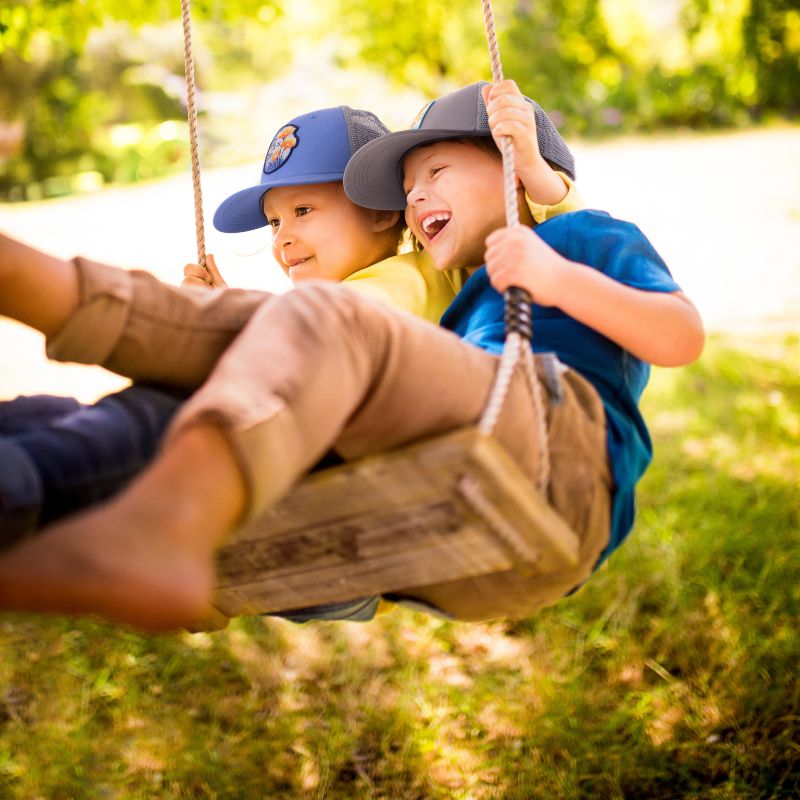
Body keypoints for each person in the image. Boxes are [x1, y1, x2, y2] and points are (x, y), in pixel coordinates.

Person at [0, 82, 593, 630]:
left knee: (151, 422)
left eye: (304, 212)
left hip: (372, 522)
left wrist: (539, 174)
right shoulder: (317, 314)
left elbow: (543, 225)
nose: (282, 239)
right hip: (288, 501)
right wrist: (227, 312)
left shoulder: (437, 273)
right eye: (275, 221)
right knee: (54, 417)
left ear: (385, 212)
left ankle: (33, 483)